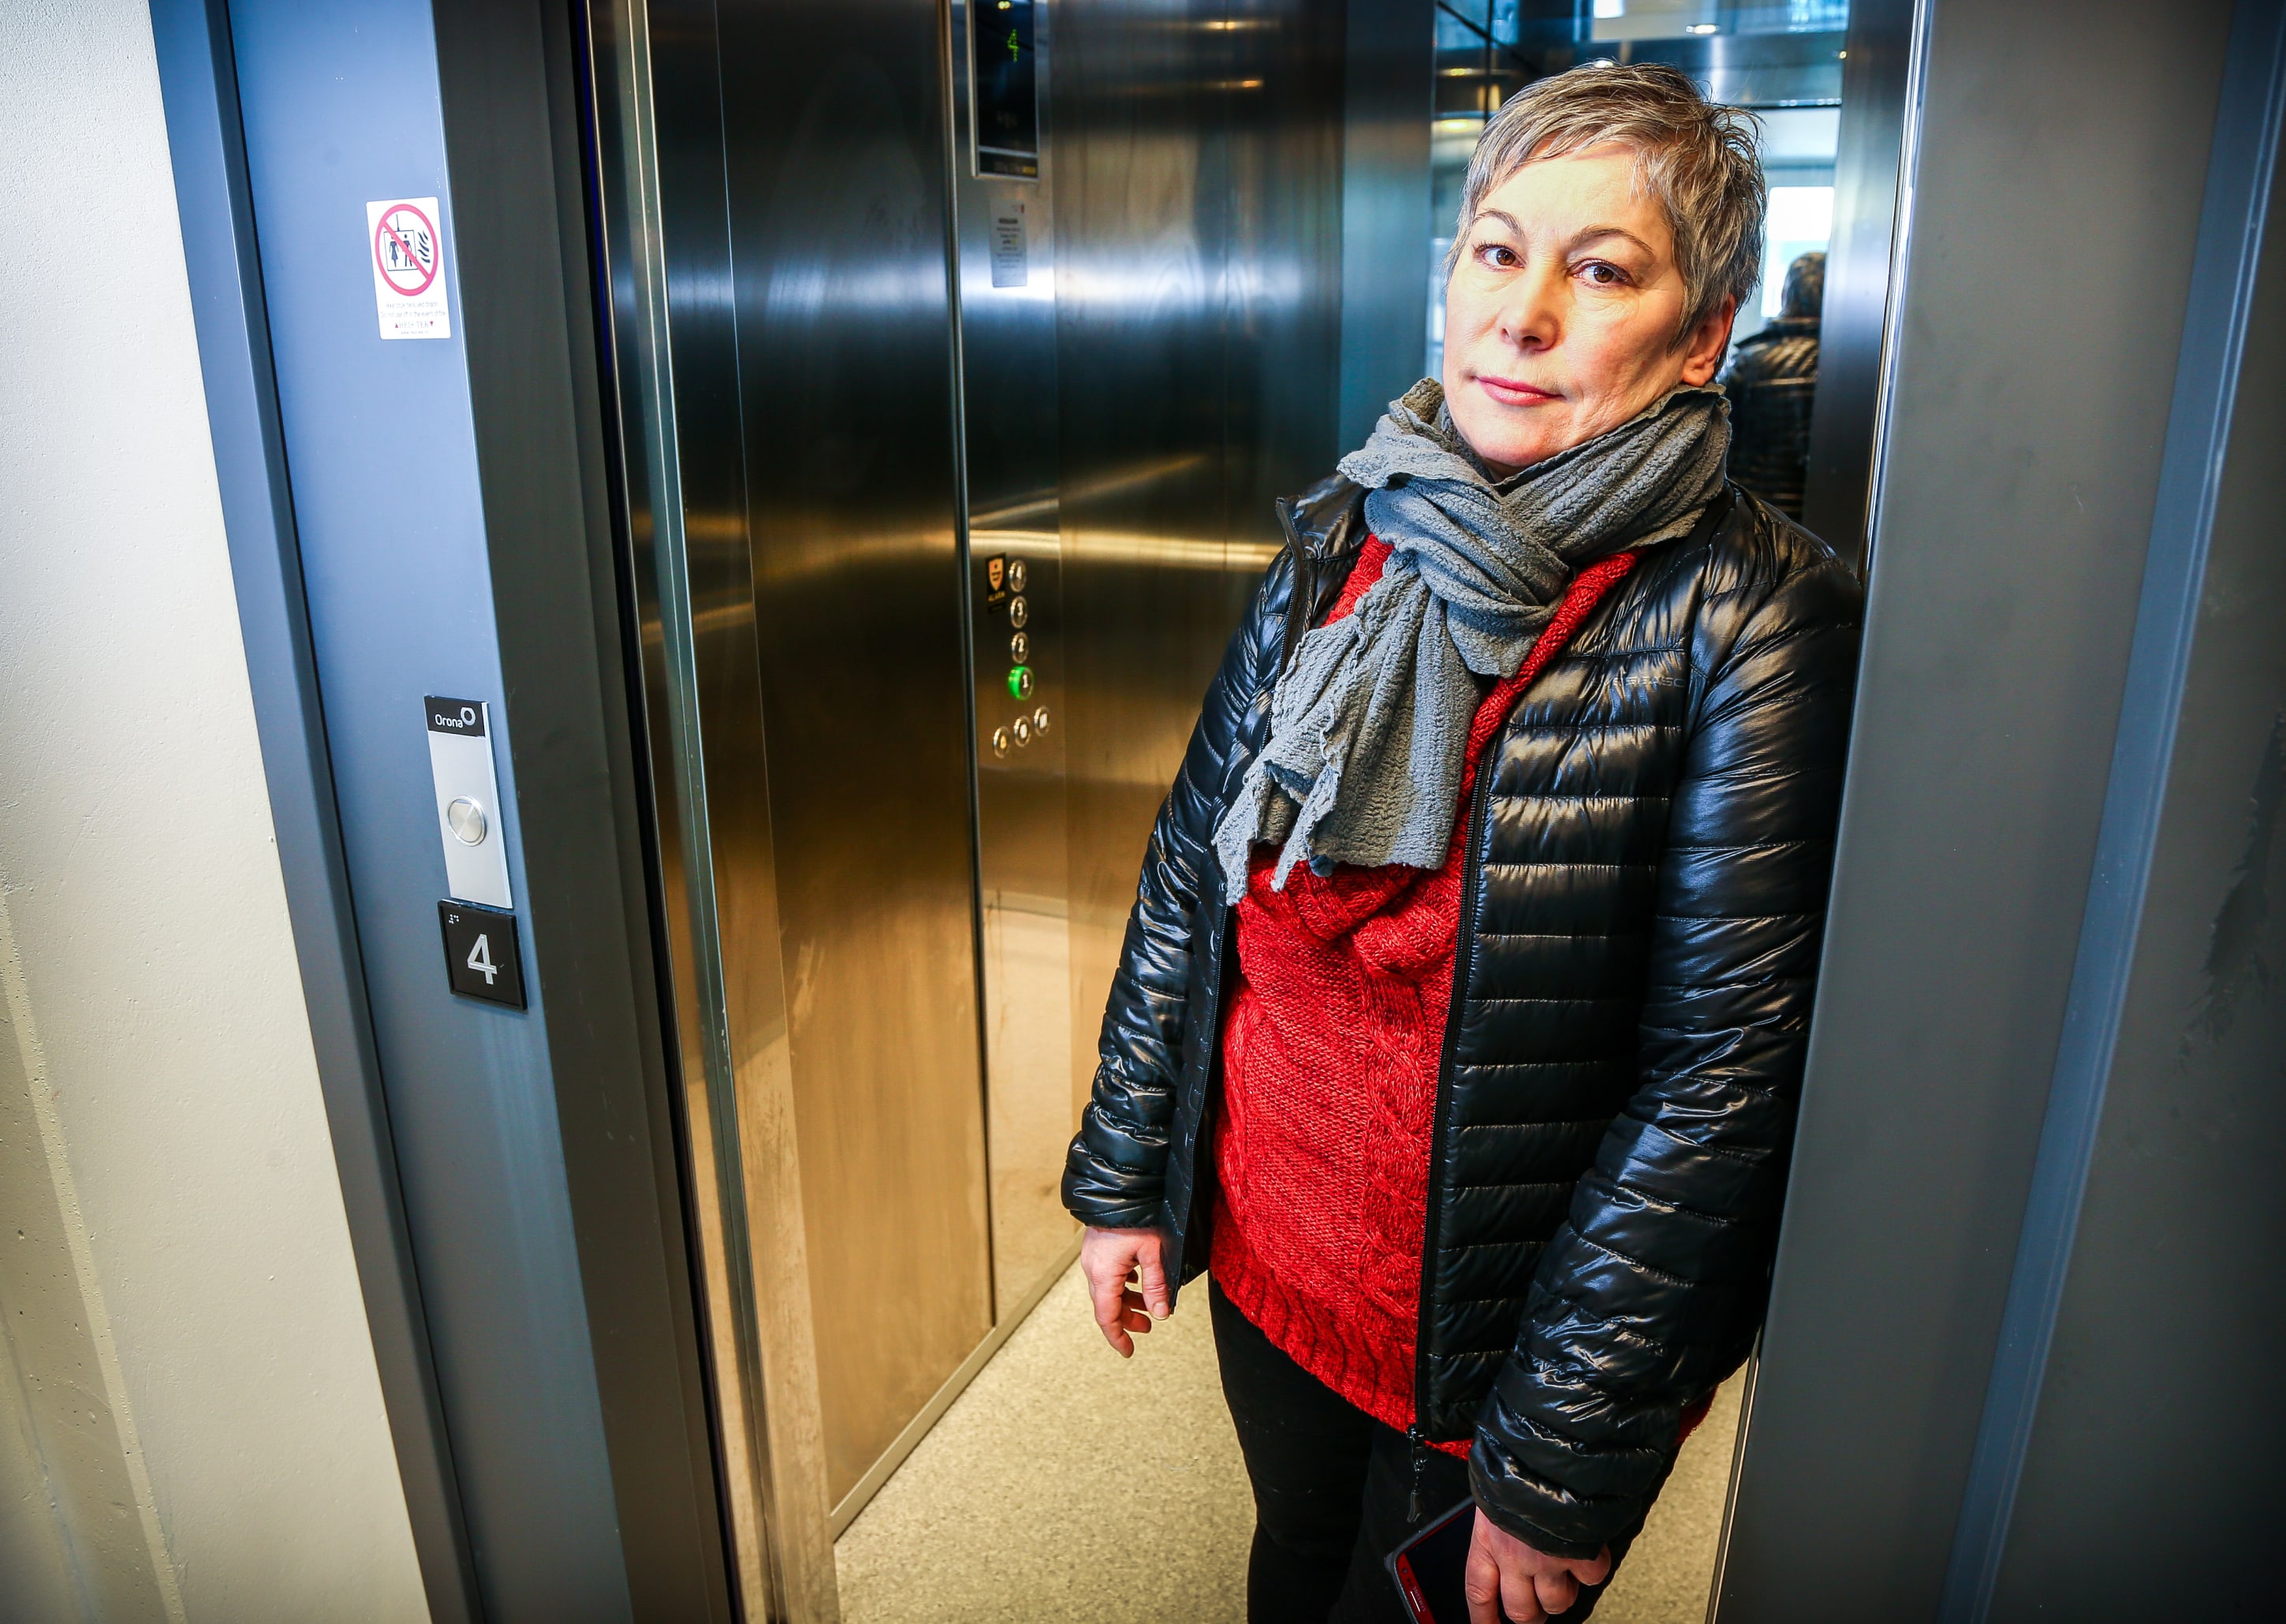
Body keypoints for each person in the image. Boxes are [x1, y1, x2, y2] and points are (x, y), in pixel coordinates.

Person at [1063, 62, 1860, 1624]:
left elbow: (1720, 1081)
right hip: (1274, 1239)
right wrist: (1128, 1176)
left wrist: (1561, 1454)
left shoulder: (1755, 616)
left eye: (1601, 271)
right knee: (1295, 1556)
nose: (1522, 313)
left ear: (1701, 335)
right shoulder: (1346, 530)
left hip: (1492, 1332)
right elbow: (1190, 874)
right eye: (1496, 250)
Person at [1721, 250, 1825, 517]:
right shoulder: (1853, 366)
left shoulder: (1748, 362)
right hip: (1826, 520)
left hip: (1755, 517)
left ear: (1785, 295)